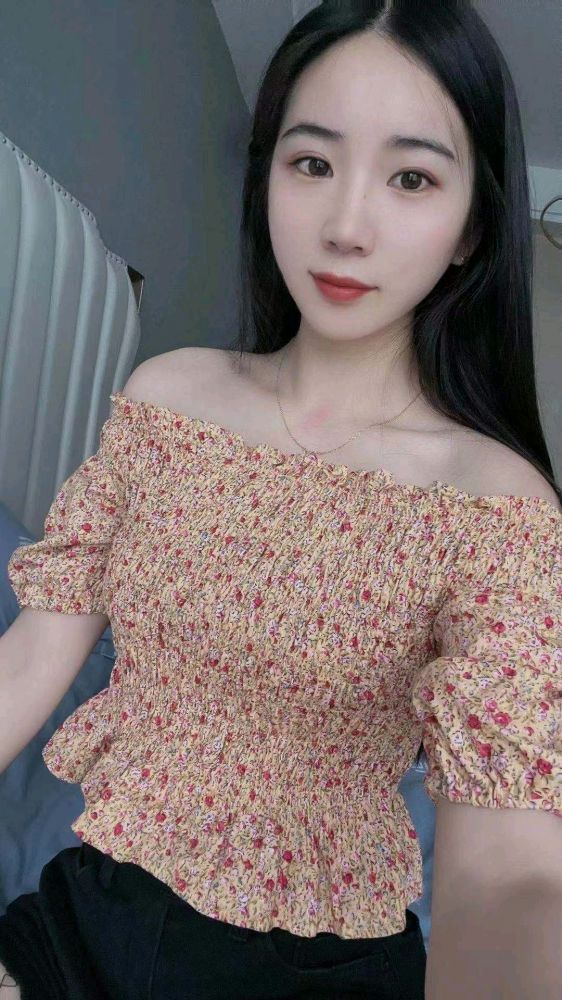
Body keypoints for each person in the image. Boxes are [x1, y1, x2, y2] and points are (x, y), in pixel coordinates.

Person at [1, 1, 561, 998]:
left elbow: (507, 863)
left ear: (471, 226)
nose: (346, 226)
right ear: (267, 179)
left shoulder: (496, 505)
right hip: (94, 905)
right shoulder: (167, 396)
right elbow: (34, 653)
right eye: (311, 163)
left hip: (310, 967)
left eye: (411, 178)